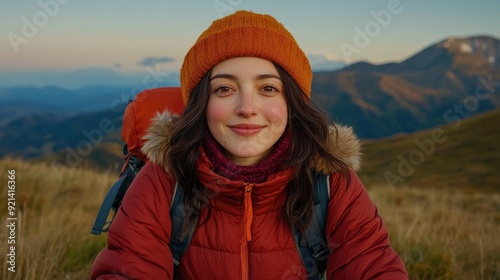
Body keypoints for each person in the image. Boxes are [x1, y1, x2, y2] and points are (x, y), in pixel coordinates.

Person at [90, 10, 408, 280]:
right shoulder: (163, 182)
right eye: (225, 89)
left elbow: (374, 267)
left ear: (291, 103)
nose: (247, 107)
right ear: (201, 103)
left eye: (268, 88)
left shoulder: (331, 184)